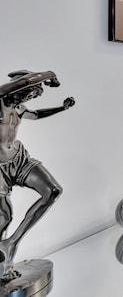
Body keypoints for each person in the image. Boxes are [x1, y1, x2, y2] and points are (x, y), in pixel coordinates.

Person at [0, 70, 75, 282]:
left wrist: (62, 108)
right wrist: (48, 75)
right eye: (27, 94)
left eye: (31, 97)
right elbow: (8, 88)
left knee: (52, 191)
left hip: (19, 159)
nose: (28, 99)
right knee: (4, 217)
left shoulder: (19, 108)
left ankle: (11, 242)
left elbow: (37, 114)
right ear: (18, 89)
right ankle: (3, 264)